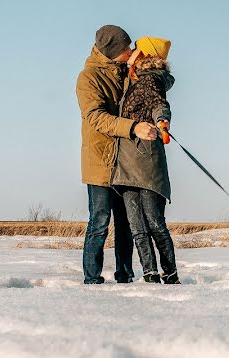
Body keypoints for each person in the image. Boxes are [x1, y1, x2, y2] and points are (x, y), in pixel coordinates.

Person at [76, 25, 159, 284]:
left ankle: (125, 274)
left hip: (126, 162)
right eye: (126, 49)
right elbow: (95, 118)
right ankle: (92, 278)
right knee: (99, 222)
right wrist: (133, 127)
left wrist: (142, 66)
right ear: (112, 52)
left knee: (126, 223)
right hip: (100, 162)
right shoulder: (88, 78)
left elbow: (156, 87)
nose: (130, 51)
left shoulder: (128, 71)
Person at [110, 37, 180, 284]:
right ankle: (150, 274)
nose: (131, 50)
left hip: (146, 160)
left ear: (145, 55)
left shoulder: (151, 78)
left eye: (136, 47)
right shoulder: (134, 78)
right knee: (137, 227)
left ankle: (170, 275)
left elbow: (159, 103)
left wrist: (162, 121)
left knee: (153, 223)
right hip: (127, 162)